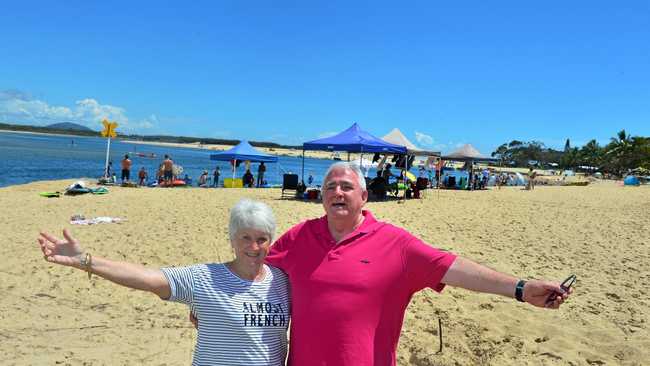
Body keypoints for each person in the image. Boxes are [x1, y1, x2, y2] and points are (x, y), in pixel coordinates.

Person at [256, 162, 571, 365]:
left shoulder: (396, 244)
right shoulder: (298, 238)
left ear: (364, 196)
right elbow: (253, 274)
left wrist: (520, 289)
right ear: (322, 196)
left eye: (346, 187)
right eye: (330, 187)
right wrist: (212, 301)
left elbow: (453, 268)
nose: (337, 192)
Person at [37, 199, 290, 366]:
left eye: (262, 238)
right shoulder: (205, 278)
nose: (254, 247)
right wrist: (86, 260)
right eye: (245, 237)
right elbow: (147, 278)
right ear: (232, 240)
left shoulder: (281, 282)